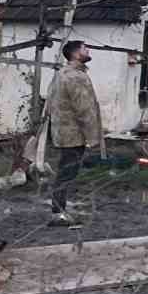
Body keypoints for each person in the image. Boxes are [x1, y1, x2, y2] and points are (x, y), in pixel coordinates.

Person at [48, 40, 103, 227]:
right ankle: (58, 213)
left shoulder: (62, 73)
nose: (88, 51)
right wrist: (93, 137)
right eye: (84, 48)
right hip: (72, 133)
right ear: (75, 54)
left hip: (64, 131)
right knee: (67, 173)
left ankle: (59, 210)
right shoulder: (76, 77)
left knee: (66, 172)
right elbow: (84, 109)